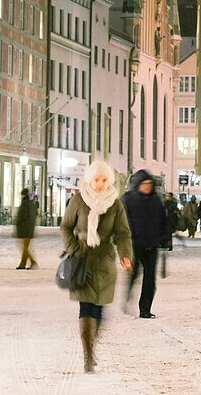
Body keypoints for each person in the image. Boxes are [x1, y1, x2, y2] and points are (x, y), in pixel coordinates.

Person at [60, 159, 133, 374]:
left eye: (104, 180)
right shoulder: (78, 200)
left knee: (99, 308)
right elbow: (65, 227)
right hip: (82, 260)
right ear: (89, 180)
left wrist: (125, 255)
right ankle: (88, 354)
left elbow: (122, 233)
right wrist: (74, 247)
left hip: (105, 262)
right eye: (96, 180)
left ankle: (91, 346)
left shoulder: (115, 204)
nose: (100, 184)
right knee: (86, 307)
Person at [121, 170, 169, 319]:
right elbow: (121, 223)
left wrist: (164, 237)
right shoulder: (128, 200)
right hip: (134, 244)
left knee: (150, 279)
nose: (148, 187)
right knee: (133, 275)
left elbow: (164, 221)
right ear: (138, 185)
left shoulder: (156, 200)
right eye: (144, 184)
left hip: (151, 244)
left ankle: (145, 309)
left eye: (150, 184)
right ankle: (127, 298)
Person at [13, 188, 39, 269]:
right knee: (25, 247)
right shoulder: (32, 204)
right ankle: (24, 263)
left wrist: (18, 222)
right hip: (29, 228)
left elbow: (22, 216)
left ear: (23, 195)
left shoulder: (24, 204)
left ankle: (31, 263)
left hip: (24, 228)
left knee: (25, 247)